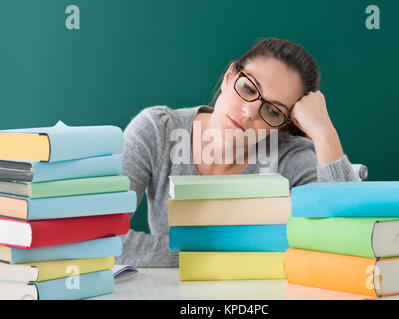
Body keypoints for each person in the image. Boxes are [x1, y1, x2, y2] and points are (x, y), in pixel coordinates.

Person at [116, 38, 360, 267]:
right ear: (228, 77)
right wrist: (219, 255)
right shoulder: (157, 130)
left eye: (273, 112)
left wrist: (324, 133)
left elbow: (348, 242)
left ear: (283, 124)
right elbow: (102, 240)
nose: (250, 112)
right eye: (248, 87)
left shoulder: (290, 157)